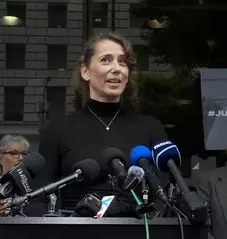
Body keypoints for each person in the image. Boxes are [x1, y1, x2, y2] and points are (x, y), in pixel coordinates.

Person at [39, 32, 167, 215]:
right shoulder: (58, 130)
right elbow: (37, 199)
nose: (116, 68)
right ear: (86, 71)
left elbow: (165, 198)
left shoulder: (151, 128)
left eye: (122, 62)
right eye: (106, 60)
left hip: (139, 236)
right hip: (75, 236)